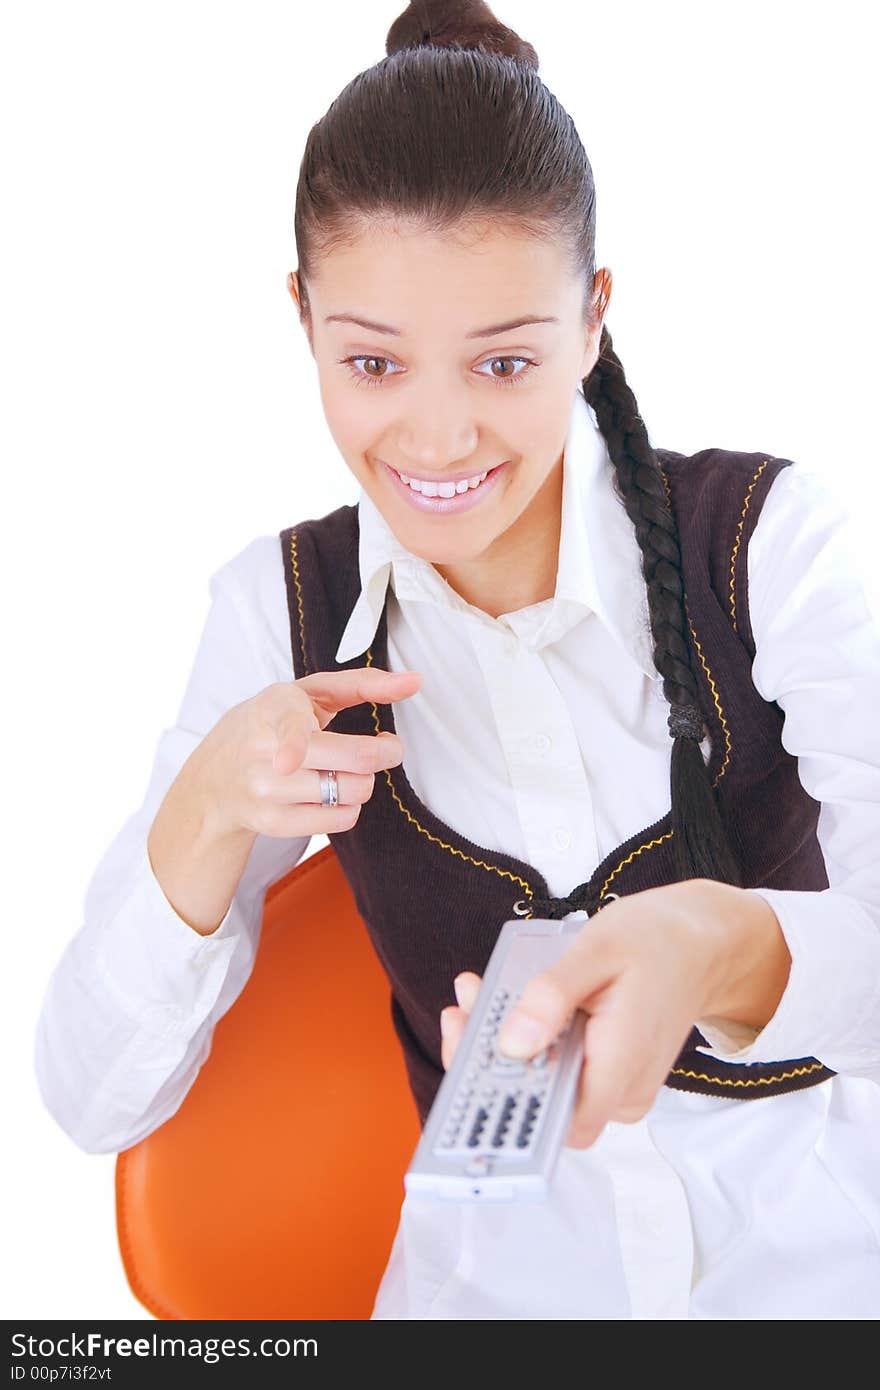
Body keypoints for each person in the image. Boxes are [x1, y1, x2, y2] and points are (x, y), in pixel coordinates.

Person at [35, 0, 880, 1320]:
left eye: (503, 360)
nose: (435, 439)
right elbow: (94, 1099)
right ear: (301, 318)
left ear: (594, 318)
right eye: (371, 359)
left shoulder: (774, 550)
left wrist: (725, 943)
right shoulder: (281, 612)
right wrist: (204, 810)